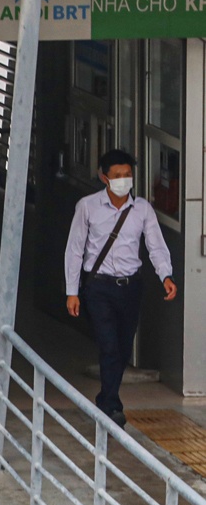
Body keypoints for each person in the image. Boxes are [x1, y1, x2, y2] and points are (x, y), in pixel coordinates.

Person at [65, 148, 176, 426]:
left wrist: (166, 276)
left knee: (124, 347)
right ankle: (111, 405)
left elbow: (156, 246)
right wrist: (72, 291)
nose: (124, 180)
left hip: (131, 287)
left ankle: (107, 399)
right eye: (117, 176)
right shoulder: (87, 207)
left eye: (127, 175)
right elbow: (74, 250)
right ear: (104, 178)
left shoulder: (142, 210)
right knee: (109, 345)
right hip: (98, 287)